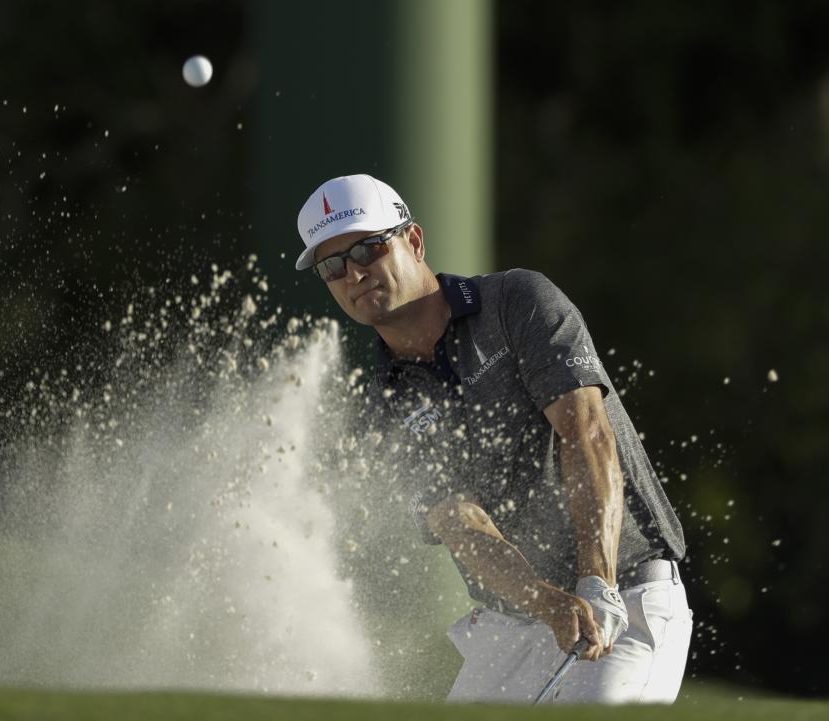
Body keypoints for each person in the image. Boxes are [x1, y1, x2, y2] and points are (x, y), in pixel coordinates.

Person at [294, 174, 693, 704]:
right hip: (512, 624)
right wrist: (548, 602)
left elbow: (586, 432)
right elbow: (459, 522)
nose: (355, 272)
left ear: (413, 241)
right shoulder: (382, 405)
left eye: (368, 246)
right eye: (332, 265)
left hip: (625, 594)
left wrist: (594, 579)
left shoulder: (515, 302)